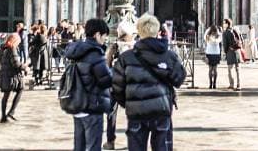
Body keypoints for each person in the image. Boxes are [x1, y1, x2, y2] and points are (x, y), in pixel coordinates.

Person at [111, 14, 186, 151]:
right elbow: (179, 79)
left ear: (138, 32)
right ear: (158, 32)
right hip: (161, 110)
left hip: (136, 113)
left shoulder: (126, 58)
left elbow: (116, 87)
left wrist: (130, 102)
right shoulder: (169, 56)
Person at [64, 18, 113, 151]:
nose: (104, 39)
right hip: (92, 107)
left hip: (78, 105)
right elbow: (106, 81)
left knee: (79, 147)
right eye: (103, 36)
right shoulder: (95, 54)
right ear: (97, 34)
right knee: (93, 147)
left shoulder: (77, 51)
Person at [104, 21, 136, 150]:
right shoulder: (135, 47)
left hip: (115, 84)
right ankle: (133, 141)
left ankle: (110, 141)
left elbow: (107, 64)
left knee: (111, 113)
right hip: (131, 84)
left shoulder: (115, 46)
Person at [0, 33, 27, 123]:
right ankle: (11, 112)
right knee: (20, 89)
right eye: (18, 42)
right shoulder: (12, 49)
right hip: (11, 75)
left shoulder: (2, 49)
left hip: (4, 74)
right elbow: (16, 63)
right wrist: (25, 67)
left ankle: (3, 116)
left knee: (6, 95)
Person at [221, 18, 241, 90]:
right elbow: (240, 39)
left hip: (230, 51)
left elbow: (225, 45)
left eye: (224, 23)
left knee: (230, 69)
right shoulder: (235, 30)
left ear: (227, 24)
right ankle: (239, 85)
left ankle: (232, 84)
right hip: (237, 51)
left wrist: (225, 52)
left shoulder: (225, 32)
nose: (223, 24)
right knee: (237, 69)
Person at [204, 25, 222, 89]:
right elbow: (218, 40)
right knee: (214, 69)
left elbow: (205, 37)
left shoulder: (208, 36)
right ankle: (214, 84)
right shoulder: (218, 36)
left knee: (211, 69)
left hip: (209, 53)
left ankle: (211, 84)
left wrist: (208, 30)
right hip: (216, 53)